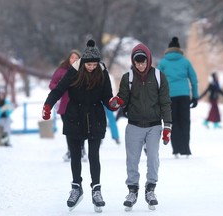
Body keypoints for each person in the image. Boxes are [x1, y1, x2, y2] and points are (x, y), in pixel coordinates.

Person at [42, 39, 115, 212]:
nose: (91, 67)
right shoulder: (74, 71)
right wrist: (48, 105)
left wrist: (113, 103)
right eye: (88, 64)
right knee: (75, 154)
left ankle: (96, 189)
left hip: (96, 117)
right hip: (74, 116)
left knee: (93, 155)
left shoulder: (102, 72)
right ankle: (76, 188)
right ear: (83, 63)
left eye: (94, 64)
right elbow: (58, 89)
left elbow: (107, 97)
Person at [109, 43, 172, 210]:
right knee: (132, 160)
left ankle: (150, 188)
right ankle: (132, 190)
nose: (141, 65)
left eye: (143, 62)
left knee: (152, 158)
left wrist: (167, 127)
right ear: (133, 62)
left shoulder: (159, 77)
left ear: (148, 60)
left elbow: (165, 103)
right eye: (137, 62)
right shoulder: (127, 78)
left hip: (154, 125)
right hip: (134, 125)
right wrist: (118, 102)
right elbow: (123, 98)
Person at [158, 36, 199, 158]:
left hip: (169, 97)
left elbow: (158, 80)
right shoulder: (185, 62)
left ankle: (176, 149)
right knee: (185, 121)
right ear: (179, 49)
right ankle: (185, 149)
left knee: (172, 122)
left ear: (169, 49)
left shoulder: (163, 62)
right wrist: (195, 96)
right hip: (184, 96)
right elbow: (194, 79)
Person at [49, 49, 87, 162]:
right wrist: (60, 89)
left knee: (82, 128)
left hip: (81, 104)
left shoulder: (84, 70)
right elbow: (52, 84)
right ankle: (70, 150)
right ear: (68, 59)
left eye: (76, 58)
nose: (74, 59)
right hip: (65, 105)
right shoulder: (61, 71)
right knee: (69, 129)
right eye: (72, 57)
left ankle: (81, 149)